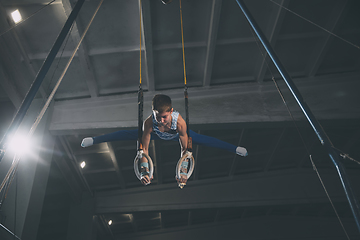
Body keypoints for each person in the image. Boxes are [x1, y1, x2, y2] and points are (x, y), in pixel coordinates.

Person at [81, 94, 248, 186]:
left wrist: (182, 172)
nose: (161, 121)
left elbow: (185, 152)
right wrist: (145, 172)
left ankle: (234, 149)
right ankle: (94, 140)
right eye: (157, 117)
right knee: (126, 133)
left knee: (205, 139)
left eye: (164, 117)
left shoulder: (180, 122)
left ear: (171, 112)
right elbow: (143, 151)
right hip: (155, 134)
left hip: (176, 135)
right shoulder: (149, 122)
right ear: (153, 112)